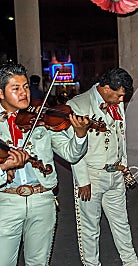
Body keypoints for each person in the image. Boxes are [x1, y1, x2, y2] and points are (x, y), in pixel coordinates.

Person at [0, 63, 89, 265]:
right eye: (16, 88)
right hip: (6, 202)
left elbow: (71, 154)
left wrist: (80, 136)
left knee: (39, 262)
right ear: (1, 93)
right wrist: (5, 168)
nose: (24, 93)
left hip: (42, 198)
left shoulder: (40, 118)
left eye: (25, 87)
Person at [66, 67, 138, 266]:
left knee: (122, 224)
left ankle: (131, 262)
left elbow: (121, 137)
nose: (121, 100)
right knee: (90, 228)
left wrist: (123, 165)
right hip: (92, 176)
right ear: (106, 88)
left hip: (115, 174)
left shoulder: (115, 104)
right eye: (119, 95)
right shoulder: (78, 104)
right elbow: (74, 147)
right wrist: (82, 180)